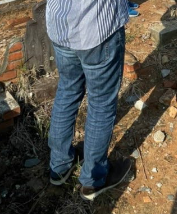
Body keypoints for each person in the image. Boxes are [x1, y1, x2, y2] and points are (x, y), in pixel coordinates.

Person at [46, 0, 133, 201]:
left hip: (61, 25)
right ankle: (94, 179)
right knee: (101, 103)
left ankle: (59, 166)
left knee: (68, 90)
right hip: (96, 29)